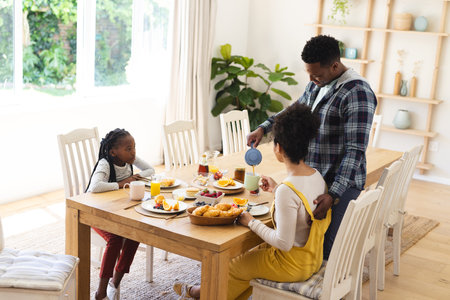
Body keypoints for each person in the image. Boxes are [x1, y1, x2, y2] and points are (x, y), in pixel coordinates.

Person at [173, 103, 331, 300]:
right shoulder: (316, 176)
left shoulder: (287, 191)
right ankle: (204, 293)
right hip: (311, 259)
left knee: (231, 266)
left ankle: (200, 294)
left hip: (291, 265)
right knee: (248, 257)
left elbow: (283, 242)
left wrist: (251, 222)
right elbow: (299, 204)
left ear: (278, 147)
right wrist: (276, 188)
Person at [247, 35, 377, 259]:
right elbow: (294, 110)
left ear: (335, 66)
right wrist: (263, 128)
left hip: (340, 185)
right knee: (295, 238)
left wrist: (334, 195)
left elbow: (355, 151)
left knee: (324, 252)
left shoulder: (357, 93)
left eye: (316, 74)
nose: (311, 79)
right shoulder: (319, 83)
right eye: (309, 74)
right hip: (315, 178)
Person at [86, 128, 155, 300]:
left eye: (134, 147)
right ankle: (100, 292)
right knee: (115, 239)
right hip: (95, 212)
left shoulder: (129, 159)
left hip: (117, 210)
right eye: (128, 149)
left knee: (135, 232)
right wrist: (123, 183)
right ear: (113, 152)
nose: (133, 152)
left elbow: (150, 170)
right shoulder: (105, 163)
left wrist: (135, 178)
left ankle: (114, 283)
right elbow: (95, 187)